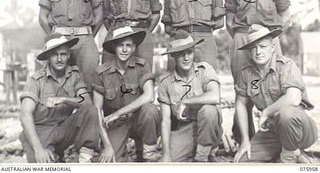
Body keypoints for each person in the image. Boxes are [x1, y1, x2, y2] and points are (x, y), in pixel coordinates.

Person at [224, 0, 291, 142]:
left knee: (274, 85)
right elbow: (229, 19)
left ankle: (278, 137)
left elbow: (286, 15)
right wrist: (240, 40)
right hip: (242, 38)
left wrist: (272, 37)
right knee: (242, 89)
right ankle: (244, 138)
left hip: (269, 38)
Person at [234, 24, 318, 163]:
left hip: (299, 129)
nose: (258, 52)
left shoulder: (286, 66)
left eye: (263, 46)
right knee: (244, 161)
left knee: (286, 114)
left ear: (272, 48)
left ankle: (289, 156)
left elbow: (293, 98)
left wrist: (266, 112)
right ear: (249, 52)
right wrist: (245, 141)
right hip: (271, 132)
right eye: (253, 48)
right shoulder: (246, 73)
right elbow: (240, 104)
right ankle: (295, 154)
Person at [19, 33, 100, 163]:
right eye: (55, 55)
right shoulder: (36, 80)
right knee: (42, 166)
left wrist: (64, 99)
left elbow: (87, 102)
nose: (59, 59)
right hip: (40, 132)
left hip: (63, 130)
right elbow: (25, 116)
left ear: (68, 55)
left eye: (63, 54)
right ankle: (50, 154)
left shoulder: (74, 75)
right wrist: (38, 149)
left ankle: (85, 160)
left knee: (90, 110)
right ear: (48, 57)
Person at [93, 26, 160, 162]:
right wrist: (107, 146)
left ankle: (148, 152)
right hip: (116, 124)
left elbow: (149, 96)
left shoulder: (142, 66)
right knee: (111, 161)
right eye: (120, 45)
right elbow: (97, 111)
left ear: (134, 48)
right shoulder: (101, 72)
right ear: (114, 47)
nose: (124, 50)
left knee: (150, 110)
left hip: (137, 120)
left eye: (128, 45)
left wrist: (118, 113)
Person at [158, 32, 223, 162]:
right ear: (173, 55)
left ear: (194, 52)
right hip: (185, 130)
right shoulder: (165, 81)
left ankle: (202, 157)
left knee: (209, 110)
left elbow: (215, 96)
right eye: (181, 54)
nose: (186, 58)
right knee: (169, 160)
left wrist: (185, 102)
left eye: (189, 52)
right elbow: (165, 120)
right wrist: (166, 153)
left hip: (208, 127)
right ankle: (200, 151)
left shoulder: (205, 70)